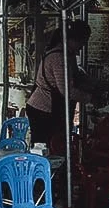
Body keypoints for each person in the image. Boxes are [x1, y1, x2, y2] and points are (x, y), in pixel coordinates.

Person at [26, 20, 93, 150]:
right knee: (45, 148)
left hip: (53, 109)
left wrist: (92, 84)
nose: (83, 45)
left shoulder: (69, 55)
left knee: (57, 145)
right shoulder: (59, 58)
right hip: (43, 109)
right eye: (82, 41)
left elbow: (76, 76)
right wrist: (89, 98)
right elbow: (66, 90)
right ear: (73, 39)